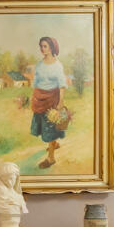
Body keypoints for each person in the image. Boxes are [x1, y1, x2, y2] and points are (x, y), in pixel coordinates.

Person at [28, 36, 70, 169]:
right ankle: (55, 144)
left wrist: (60, 102)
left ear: (52, 47)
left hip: (52, 98)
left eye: (45, 46)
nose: (42, 48)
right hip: (40, 97)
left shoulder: (57, 66)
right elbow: (36, 81)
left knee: (50, 127)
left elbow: (62, 85)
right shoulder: (40, 64)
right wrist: (33, 95)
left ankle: (51, 158)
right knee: (43, 125)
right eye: (41, 46)